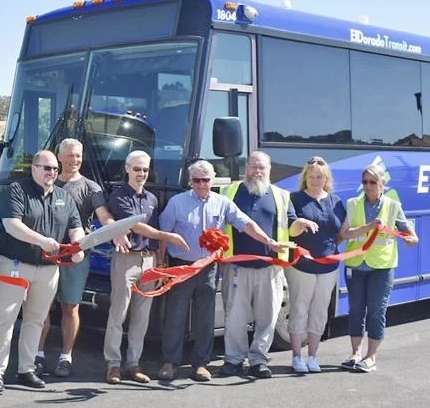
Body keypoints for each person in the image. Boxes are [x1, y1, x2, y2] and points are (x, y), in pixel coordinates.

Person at [0, 149, 85, 392]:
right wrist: (42, 240)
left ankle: (26, 369)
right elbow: (12, 225)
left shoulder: (64, 197)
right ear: (34, 168)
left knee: (36, 320)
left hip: (48, 269)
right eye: (46, 168)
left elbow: (76, 227)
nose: (51, 173)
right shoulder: (17, 191)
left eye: (54, 168)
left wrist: (78, 246)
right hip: (14, 264)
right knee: (6, 317)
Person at [155, 160, 260, 382]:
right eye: (196, 180)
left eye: (205, 180)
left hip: (209, 268)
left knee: (205, 317)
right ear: (190, 181)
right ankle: (169, 362)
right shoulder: (177, 202)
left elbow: (245, 223)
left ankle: (201, 364)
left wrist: (269, 241)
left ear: (213, 180)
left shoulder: (223, 203)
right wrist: (161, 265)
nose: (201, 184)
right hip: (181, 267)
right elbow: (163, 234)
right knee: (175, 316)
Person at [219, 151, 312, 379]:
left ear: (269, 170)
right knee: (234, 318)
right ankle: (234, 360)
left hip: (271, 269)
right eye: (254, 166)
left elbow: (289, 226)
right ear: (246, 167)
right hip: (237, 267)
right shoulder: (229, 192)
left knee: (268, 318)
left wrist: (299, 223)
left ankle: (259, 360)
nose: (257, 171)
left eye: (262, 168)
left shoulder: (281, 195)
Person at [102, 150, 190, 385]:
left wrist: (161, 263)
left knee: (142, 317)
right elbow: (138, 226)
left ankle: (133, 364)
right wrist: (168, 236)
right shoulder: (118, 196)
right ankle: (113, 365)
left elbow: (154, 234)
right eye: (137, 169)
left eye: (145, 169)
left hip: (150, 261)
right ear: (127, 169)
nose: (141, 173)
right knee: (118, 314)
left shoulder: (151, 199)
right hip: (126, 260)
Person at [37, 138, 111, 378]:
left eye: (78, 156)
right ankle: (37, 355)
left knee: (71, 306)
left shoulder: (91, 188)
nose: (74, 160)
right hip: (45, 255)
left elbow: (103, 215)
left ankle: (65, 357)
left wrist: (116, 230)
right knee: (42, 307)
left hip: (76, 258)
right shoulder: (45, 182)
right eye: (70, 156)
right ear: (59, 157)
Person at [340, 163, 419, 373]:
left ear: (382, 184)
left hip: (381, 267)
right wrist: (367, 227)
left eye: (372, 182)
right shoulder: (353, 203)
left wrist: (410, 239)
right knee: (356, 310)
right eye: (364, 182)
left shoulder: (393, 206)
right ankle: (355, 353)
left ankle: (371, 357)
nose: (368, 186)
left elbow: (411, 235)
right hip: (356, 264)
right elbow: (345, 234)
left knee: (376, 311)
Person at [286, 156, 347, 374]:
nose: (315, 180)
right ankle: (296, 357)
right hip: (301, 266)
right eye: (311, 176)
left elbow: (340, 234)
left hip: (328, 267)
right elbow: (290, 230)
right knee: (299, 309)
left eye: (319, 176)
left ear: (326, 179)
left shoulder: (337, 202)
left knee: (320, 312)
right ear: (305, 178)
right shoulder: (295, 199)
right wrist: (300, 224)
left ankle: (313, 356)